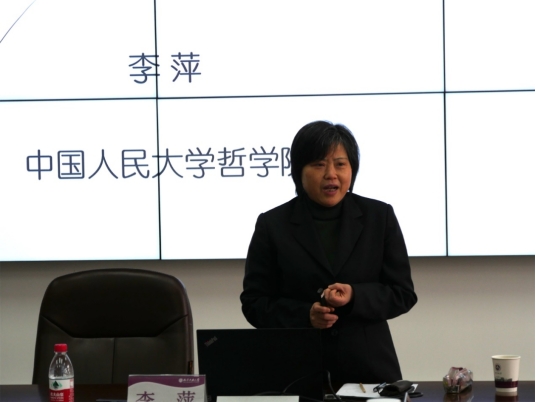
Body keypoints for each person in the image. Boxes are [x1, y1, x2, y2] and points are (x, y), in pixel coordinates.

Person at [240, 120, 417, 387]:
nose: (331, 174)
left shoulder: (379, 217)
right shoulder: (272, 224)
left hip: (369, 371)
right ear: (299, 171)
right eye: (319, 164)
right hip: (297, 372)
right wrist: (306, 315)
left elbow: (402, 294)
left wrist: (355, 295)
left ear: (352, 169)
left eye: (340, 164)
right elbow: (254, 303)